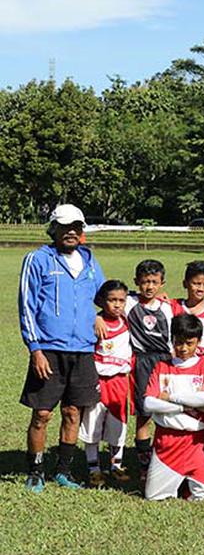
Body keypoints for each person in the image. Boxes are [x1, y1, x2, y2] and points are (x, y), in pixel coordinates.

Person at [18, 204, 105, 491]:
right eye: (65, 227)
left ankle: (63, 471)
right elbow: (26, 306)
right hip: (49, 350)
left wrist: (141, 299)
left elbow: (108, 296)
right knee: (42, 414)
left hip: (83, 349)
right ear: (53, 228)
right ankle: (36, 470)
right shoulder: (38, 260)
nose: (71, 232)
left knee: (72, 412)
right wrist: (35, 349)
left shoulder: (90, 261)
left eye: (76, 227)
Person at [142, 314, 204, 501]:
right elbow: (148, 403)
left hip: (196, 442)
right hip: (167, 441)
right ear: (172, 339)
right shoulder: (161, 367)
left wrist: (171, 398)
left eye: (189, 343)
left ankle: (201, 475)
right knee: (154, 497)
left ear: (199, 342)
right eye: (178, 342)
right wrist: (185, 408)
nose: (183, 348)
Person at [125, 259, 175, 480]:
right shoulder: (128, 302)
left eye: (154, 282)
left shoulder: (167, 307)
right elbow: (105, 296)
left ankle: (169, 458)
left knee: (169, 410)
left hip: (166, 361)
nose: (150, 286)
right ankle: (144, 463)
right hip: (142, 362)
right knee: (144, 414)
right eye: (145, 281)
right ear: (136, 281)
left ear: (162, 283)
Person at [81, 280, 133, 485]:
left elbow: (145, 296)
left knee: (118, 423)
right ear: (102, 301)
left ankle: (116, 465)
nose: (117, 304)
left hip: (119, 382)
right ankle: (93, 468)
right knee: (92, 421)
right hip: (97, 380)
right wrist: (94, 316)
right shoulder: (94, 323)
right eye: (112, 300)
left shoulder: (127, 319)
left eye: (121, 300)